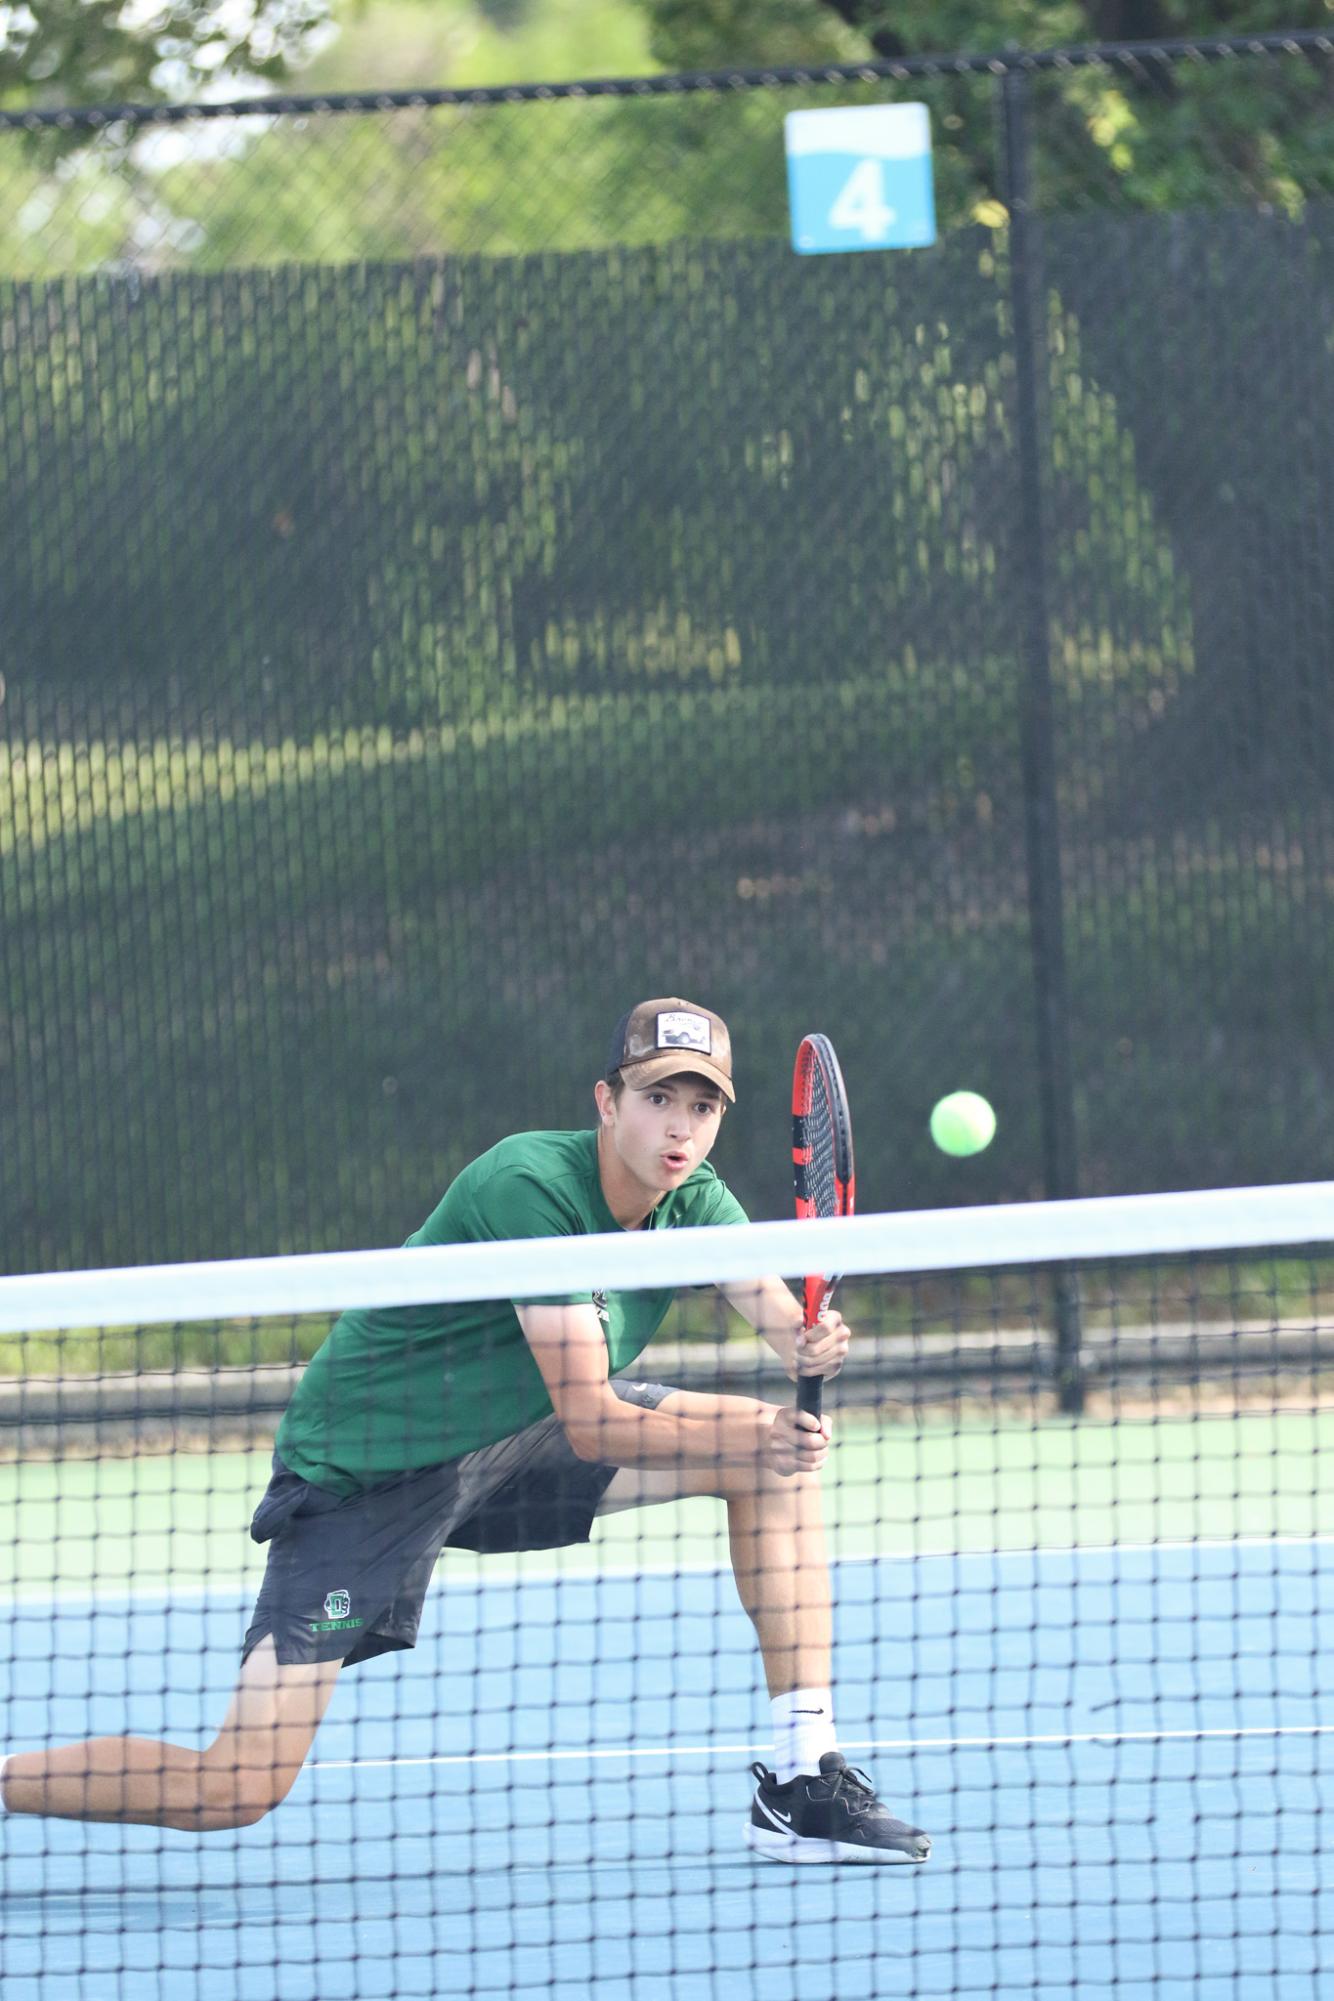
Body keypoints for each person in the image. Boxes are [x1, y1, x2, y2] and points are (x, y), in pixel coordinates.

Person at [0, 998, 930, 1865]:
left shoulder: (694, 1196)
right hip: (372, 1475)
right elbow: (593, 1419)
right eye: (657, 1098)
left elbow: (774, 1311)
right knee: (236, 1785)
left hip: (512, 1440)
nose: (679, 1127)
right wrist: (769, 1424)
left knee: (774, 1463)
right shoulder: (529, 1187)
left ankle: (805, 1774)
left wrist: (809, 1341)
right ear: (607, 1102)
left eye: (701, 1105)